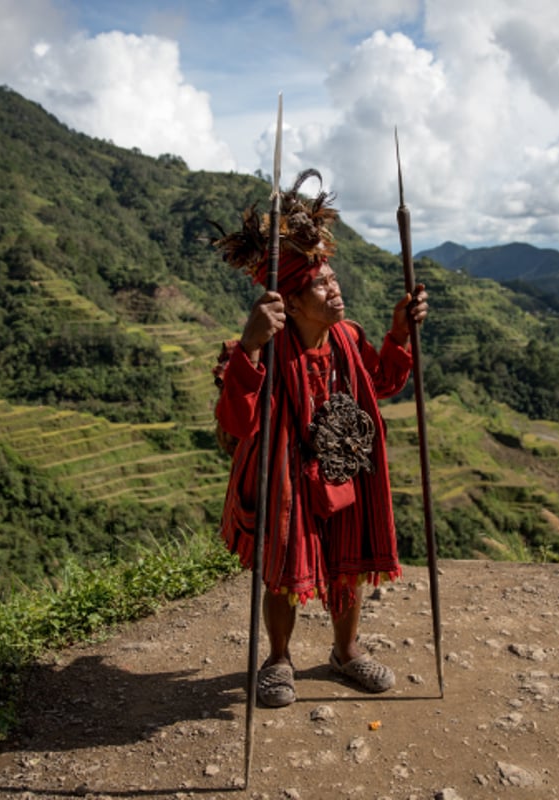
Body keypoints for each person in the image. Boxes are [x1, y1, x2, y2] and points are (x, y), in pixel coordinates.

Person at [212, 170, 428, 707]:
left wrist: (400, 331)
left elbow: (381, 383)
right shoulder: (261, 350)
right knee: (283, 573)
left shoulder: (348, 339)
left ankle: (346, 651)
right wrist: (251, 347)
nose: (335, 288)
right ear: (290, 299)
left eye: (332, 277)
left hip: (345, 466)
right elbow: (238, 423)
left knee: (348, 563)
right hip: (287, 476)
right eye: (320, 284)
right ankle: (278, 659)